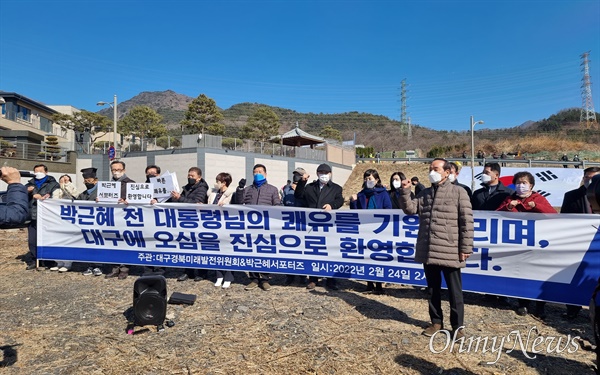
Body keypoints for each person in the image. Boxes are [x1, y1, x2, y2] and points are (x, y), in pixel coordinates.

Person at [399, 158, 473, 339]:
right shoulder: (424, 194)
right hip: (429, 249)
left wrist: (466, 247)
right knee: (432, 289)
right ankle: (436, 322)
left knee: (455, 292)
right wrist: (405, 191)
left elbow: (467, 222)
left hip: (450, 250)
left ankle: (457, 327)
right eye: (430, 168)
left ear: (447, 172)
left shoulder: (459, 192)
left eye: (436, 169)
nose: (432, 171)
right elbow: (410, 209)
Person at [496, 171, 557, 318]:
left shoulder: (538, 198)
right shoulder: (510, 198)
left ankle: (540, 306)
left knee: (538, 273)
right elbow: (495, 214)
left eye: (524, 183)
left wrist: (536, 206)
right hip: (518, 244)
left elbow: (552, 213)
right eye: (518, 183)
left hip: (537, 244)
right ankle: (523, 303)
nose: (520, 186)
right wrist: (509, 207)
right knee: (521, 273)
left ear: (531, 185)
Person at [294, 163, 344, 290]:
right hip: (312, 225)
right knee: (314, 252)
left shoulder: (336, 188)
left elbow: (340, 200)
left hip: (329, 225)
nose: (323, 175)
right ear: (317, 174)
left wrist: (332, 205)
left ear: (330, 174)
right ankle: (313, 279)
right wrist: (302, 182)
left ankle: (331, 279)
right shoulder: (310, 187)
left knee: (330, 252)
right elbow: (298, 195)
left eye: (326, 173)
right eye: (321, 173)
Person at [559, 167, 600, 319]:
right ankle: (572, 309)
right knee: (575, 276)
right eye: (587, 178)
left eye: (594, 178)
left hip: (597, 242)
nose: (590, 181)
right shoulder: (571, 196)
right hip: (577, 243)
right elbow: (564, 219)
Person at [234, 163, 281, 291]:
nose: (257, 174)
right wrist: (239, 189)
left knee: (265, 252)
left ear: (265, 174)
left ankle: (265, 279)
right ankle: (254, 278)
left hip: (265, 226)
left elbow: (277, 204)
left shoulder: (272, 189)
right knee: (252, 252)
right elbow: (238, 203)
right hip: (251, 226)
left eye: (260, 171)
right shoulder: (248, 189)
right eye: (255, 172)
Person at [350, 169, 392, 294]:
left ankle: (379, 284)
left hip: (379, 230)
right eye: (366, 178)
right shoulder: (361, 194)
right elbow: (355, 212)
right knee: (367, 257)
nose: (368, 181)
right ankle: (369, 283)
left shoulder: (383, 194)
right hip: (365, 230)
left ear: (377, 180)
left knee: (377, 256)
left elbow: (388, 209)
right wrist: (353, 201)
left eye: (371, 179)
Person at [170, 167, 209, 282]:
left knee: (200, 247)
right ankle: (188, 271)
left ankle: (202, 272)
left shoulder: (202, 188)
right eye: (188, 175)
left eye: (192, 176)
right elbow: (180, 201)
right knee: (187, 246)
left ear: (199, 177)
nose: (189, 177)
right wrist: (175, 198)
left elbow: (197, 203)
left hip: (198, 221)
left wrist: (180, 198)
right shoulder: (187, 187)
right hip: (185, 220)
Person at [25, 164, 60, 270]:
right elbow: (21, 198)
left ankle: (49, 260)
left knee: (48, 238)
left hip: (47, 216)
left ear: (46, 172)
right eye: (36, 171)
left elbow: (57, 198)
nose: (38, 173)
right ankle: (34, 260)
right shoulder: (29, 184)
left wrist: (43, 198)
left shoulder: (53, 184)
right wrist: (27, 192)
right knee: (32, 240)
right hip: (33, 215)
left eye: (40, 171)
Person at [105, 160, 135, 279]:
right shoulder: (108, 185)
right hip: (112, 218)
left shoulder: (131, 183)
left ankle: (124, 268)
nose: (116, 172)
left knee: (125, 242)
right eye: (114, 170)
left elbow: (137, 200)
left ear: (124, 170)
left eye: (119, 170)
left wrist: (128, 201)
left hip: (126, 218)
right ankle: (115, 267)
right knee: (113, 242)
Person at [208, 172, 237, 288]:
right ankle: (219, 275)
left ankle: (229, 276)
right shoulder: (213, 194)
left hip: (227, 226)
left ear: (224, 183)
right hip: (214, 226)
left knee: (228, 252)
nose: (216, 184)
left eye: (218, 181)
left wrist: (226, 206)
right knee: (217, 251)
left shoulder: (232, 194)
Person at [281, 167, 307, 285]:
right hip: (289, 223)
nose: (296, 176)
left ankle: (302, 275)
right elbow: (282, 203)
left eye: (299, 174)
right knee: (289, 250)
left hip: (302, 223)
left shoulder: (306, 189)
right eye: (295, 174)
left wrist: (299, 190)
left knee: (303, 250)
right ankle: (289, 275)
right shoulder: (286, 189)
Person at [76, 168, 104, 277]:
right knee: (88, 244)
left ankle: (98, 265)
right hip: (86, 223)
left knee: (99, 243)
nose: (87, 182)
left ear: (95, 180)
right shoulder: (83, 194)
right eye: (85, 181)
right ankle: (90, 265)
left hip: (100, 222)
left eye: (89, 180)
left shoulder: (102, 192)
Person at [49, 174, 79, 272]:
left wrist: (67, 185)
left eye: (67, 179)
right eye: (62, 179)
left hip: (69, 217)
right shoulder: (57, 190)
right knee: (57, 239)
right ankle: (58, 262)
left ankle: (68, 263)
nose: (64, 180)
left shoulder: (73, 187)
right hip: (58, 218)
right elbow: (55, 200)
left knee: (68, 240)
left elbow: (74, 196)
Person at [142, 164, 165, 276]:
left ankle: (159, 268)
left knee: (160, 244)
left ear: (158, 174)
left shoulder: (165, 186)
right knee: (148, 243)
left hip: (161, 220)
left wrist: (158, 202)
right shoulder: (143, 187)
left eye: (153, 174)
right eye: (149, 174)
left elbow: (170, 201)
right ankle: (148, 268)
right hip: (147, 220)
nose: (151, 175)